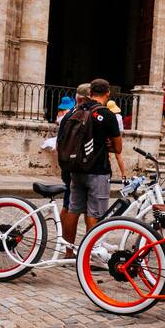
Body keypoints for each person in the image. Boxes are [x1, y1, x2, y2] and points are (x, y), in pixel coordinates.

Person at [59, 77, 122, 249]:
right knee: (96, 213)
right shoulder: (107, 115)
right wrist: (107, 143)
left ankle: (69, 252)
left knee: (73, 209)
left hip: (75, 169)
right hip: (98, 170)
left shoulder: (71, 113)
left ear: (91, 92)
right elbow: (118, 148)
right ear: (108, 93)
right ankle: (91, 254)